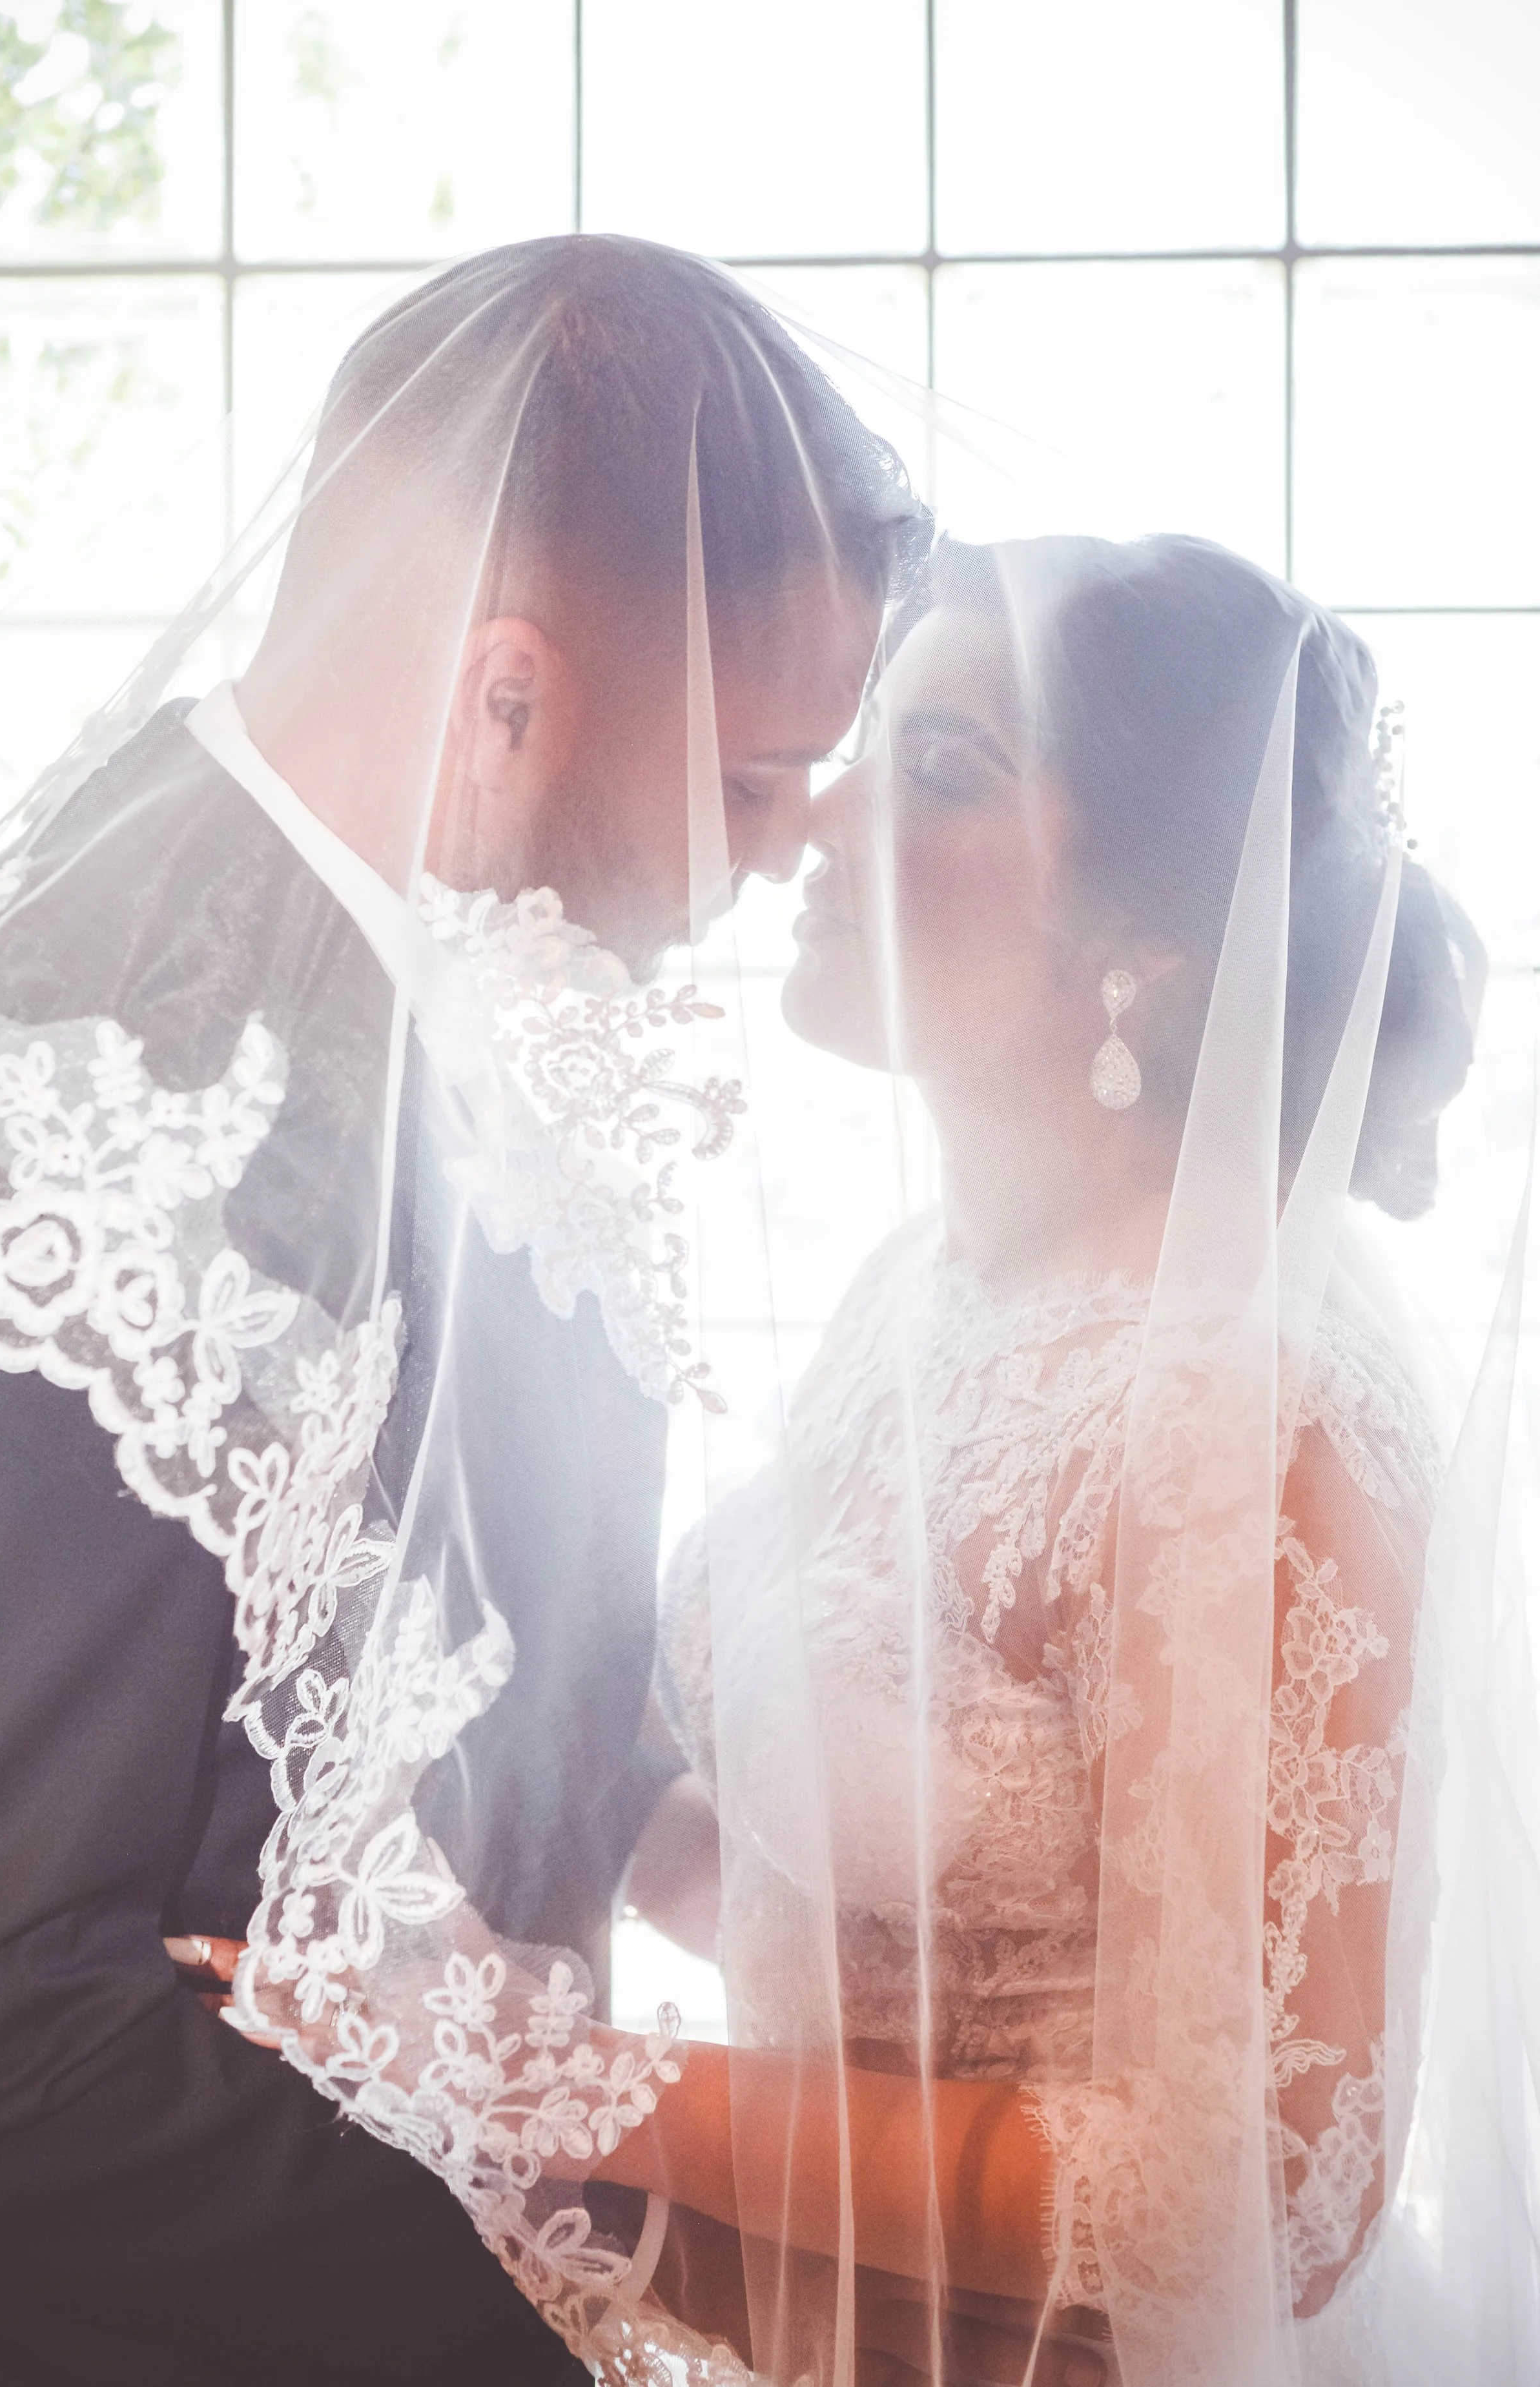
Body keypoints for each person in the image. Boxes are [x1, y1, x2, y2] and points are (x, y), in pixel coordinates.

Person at [0, 233, 924, 2386]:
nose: (782, 856)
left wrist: (674, 1834)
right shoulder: (87, 1121)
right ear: (505, 695)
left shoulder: (449, 1009)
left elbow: (419, 1688)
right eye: (754, 779)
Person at [620, 534, 1531, 2384]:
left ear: (1152, 940)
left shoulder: (1249, 1414)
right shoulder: (914, 1295)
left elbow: (1258, 2190)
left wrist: (585, 2091)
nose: (819, 818)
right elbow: (891, 1941)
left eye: (939, 771)